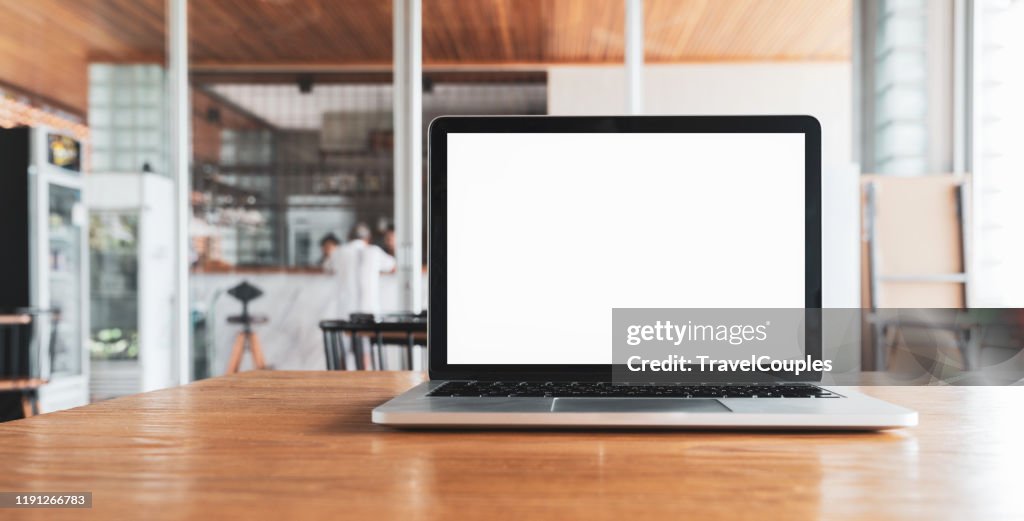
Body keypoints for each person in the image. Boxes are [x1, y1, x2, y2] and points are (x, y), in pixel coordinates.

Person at [330, 222, 396, 319]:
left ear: (349, 237)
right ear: (368, 238)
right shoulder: (375, 251)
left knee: (347, 332)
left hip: (345, 310)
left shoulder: (339, 251)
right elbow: (394, 266)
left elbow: (327, 267)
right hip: (369, 309)